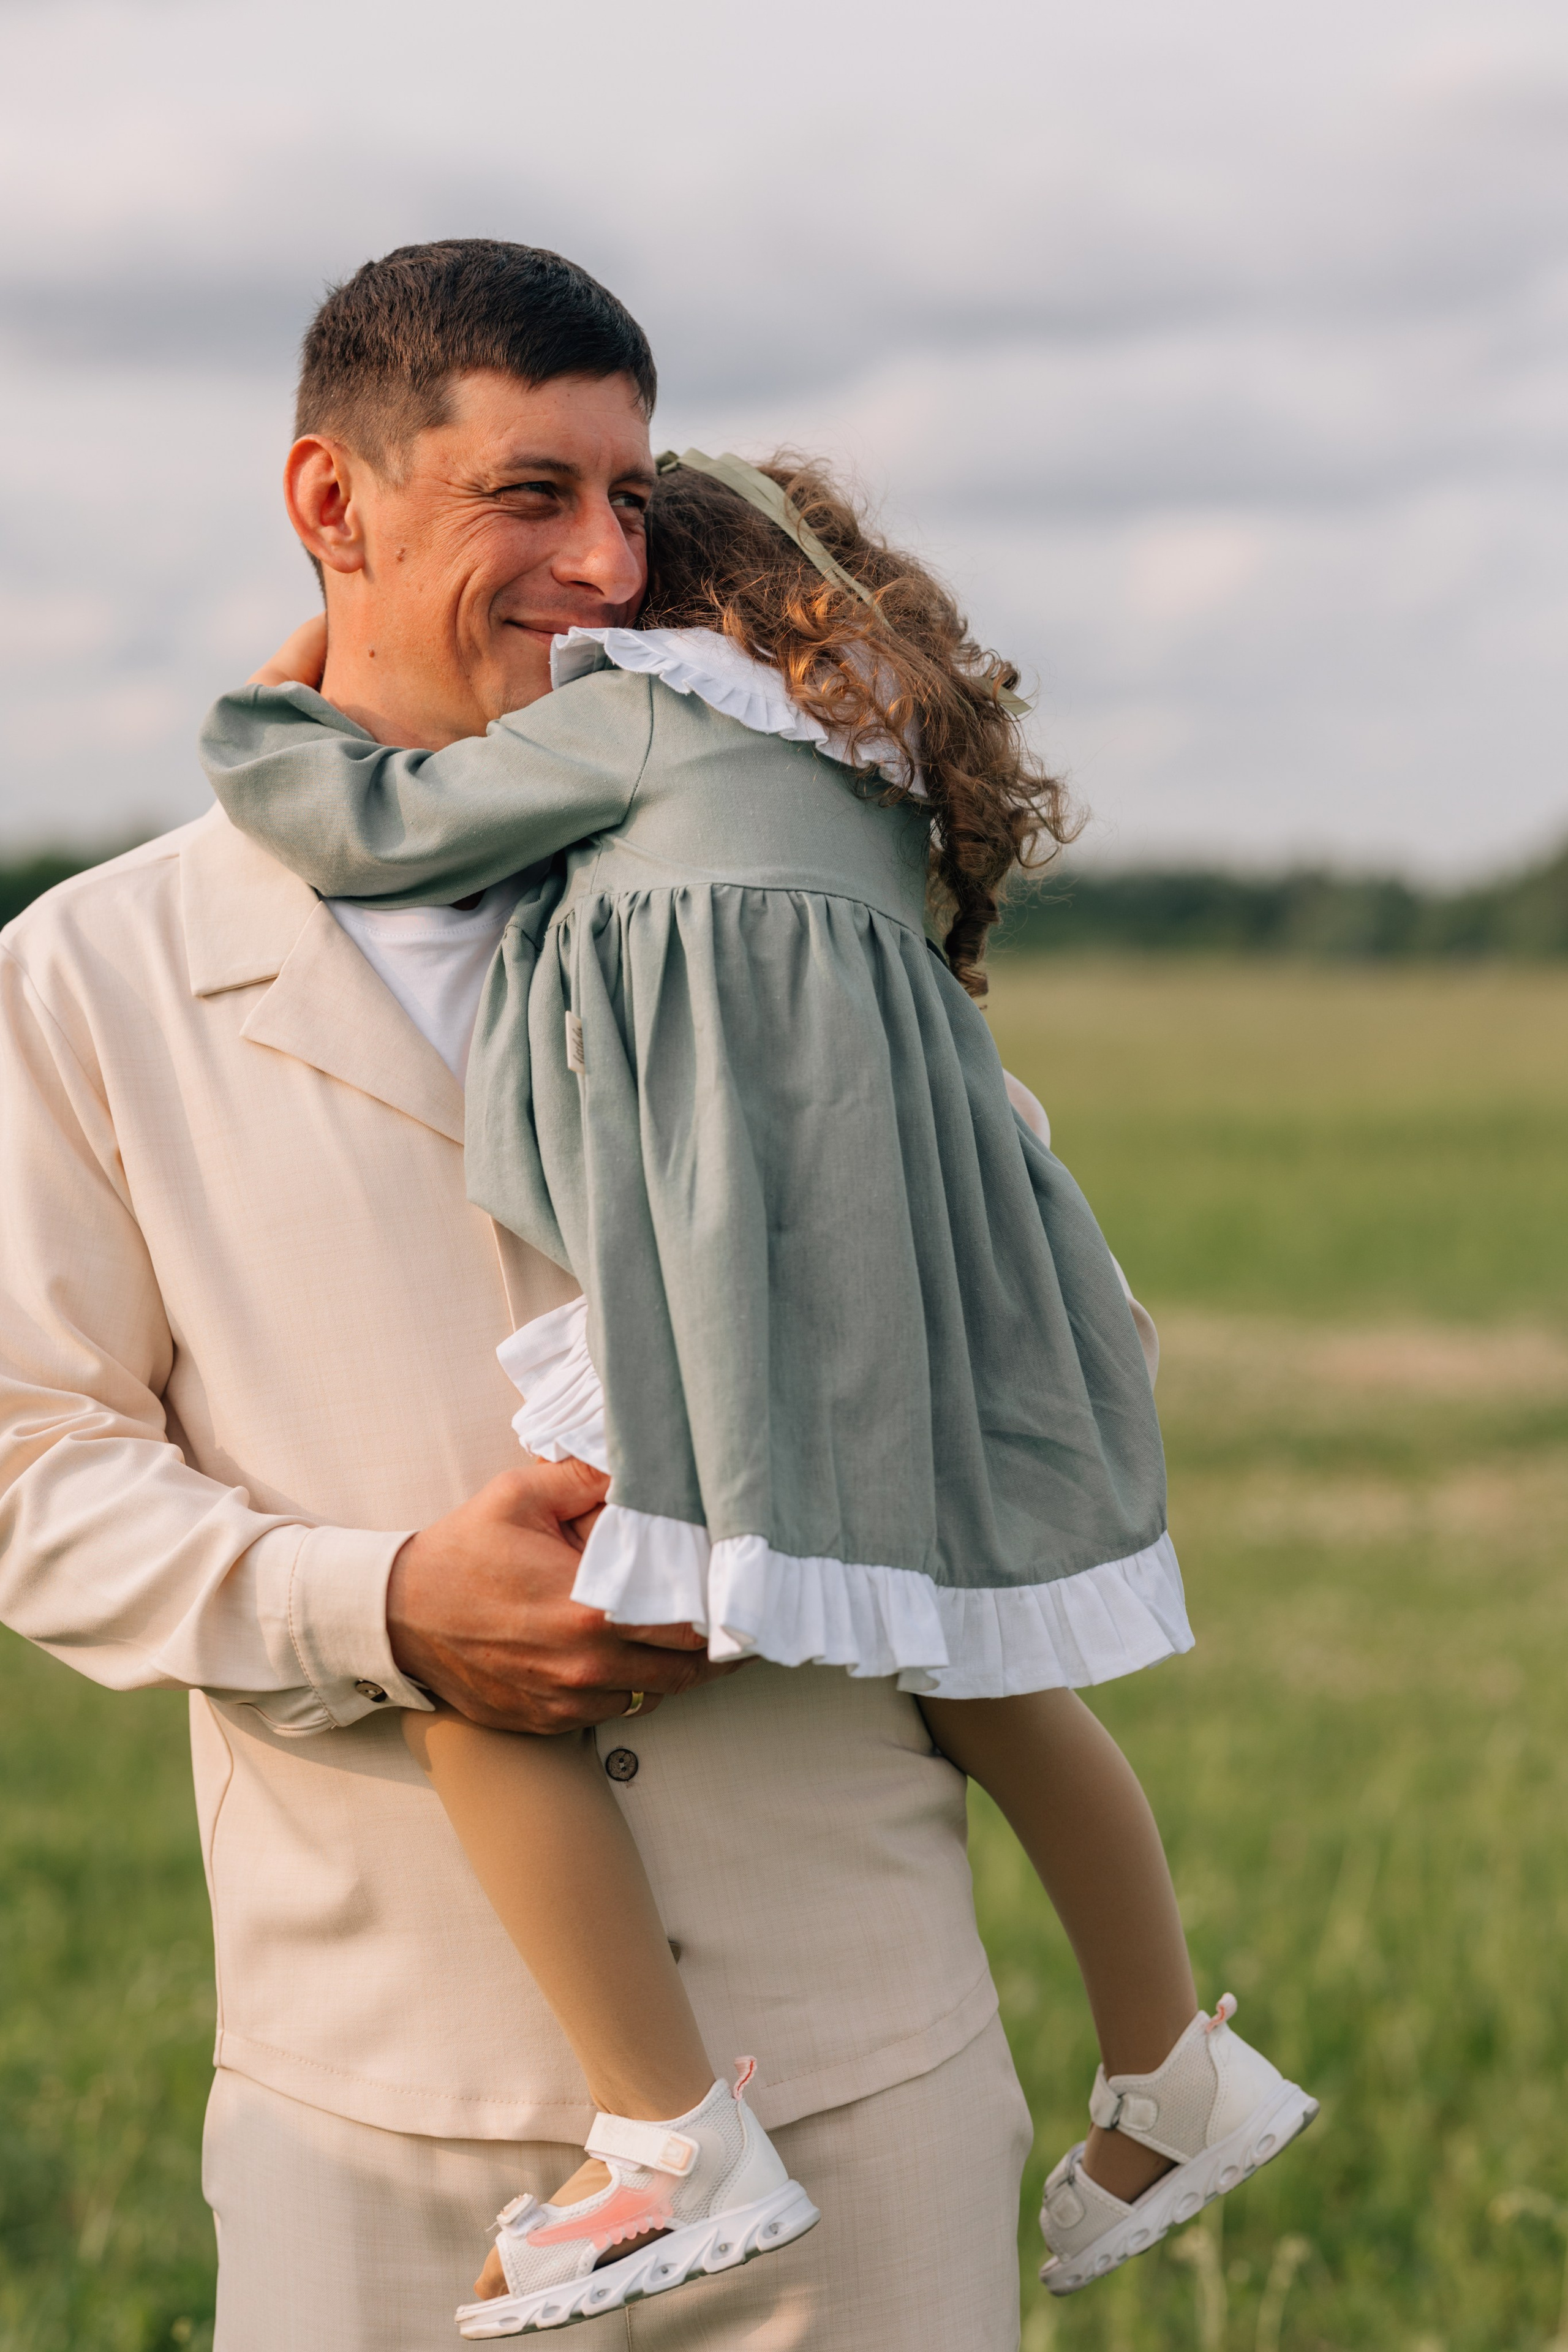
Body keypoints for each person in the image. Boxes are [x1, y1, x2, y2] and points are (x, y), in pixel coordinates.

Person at [0, 238, 1053, 2352]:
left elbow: (1031, 1323)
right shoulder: (87, 974)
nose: (603, 563)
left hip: (867, 2081)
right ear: (334, 501)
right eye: (529, 493)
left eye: (631, 498)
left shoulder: (784, 879)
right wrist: (385, 1607)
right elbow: (31, 1466)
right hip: (374, 2120)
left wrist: (810, 1474)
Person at [208, 445, 1316, 2339]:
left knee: (474, 1675)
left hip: (735, 1302)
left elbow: (370, 822)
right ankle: (1172, 2059)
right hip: (896, 1294)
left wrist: (284, 684)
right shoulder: (869, 774)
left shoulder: (645, 718)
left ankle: (664, 2135)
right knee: (973, 1667)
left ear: (658, 612)